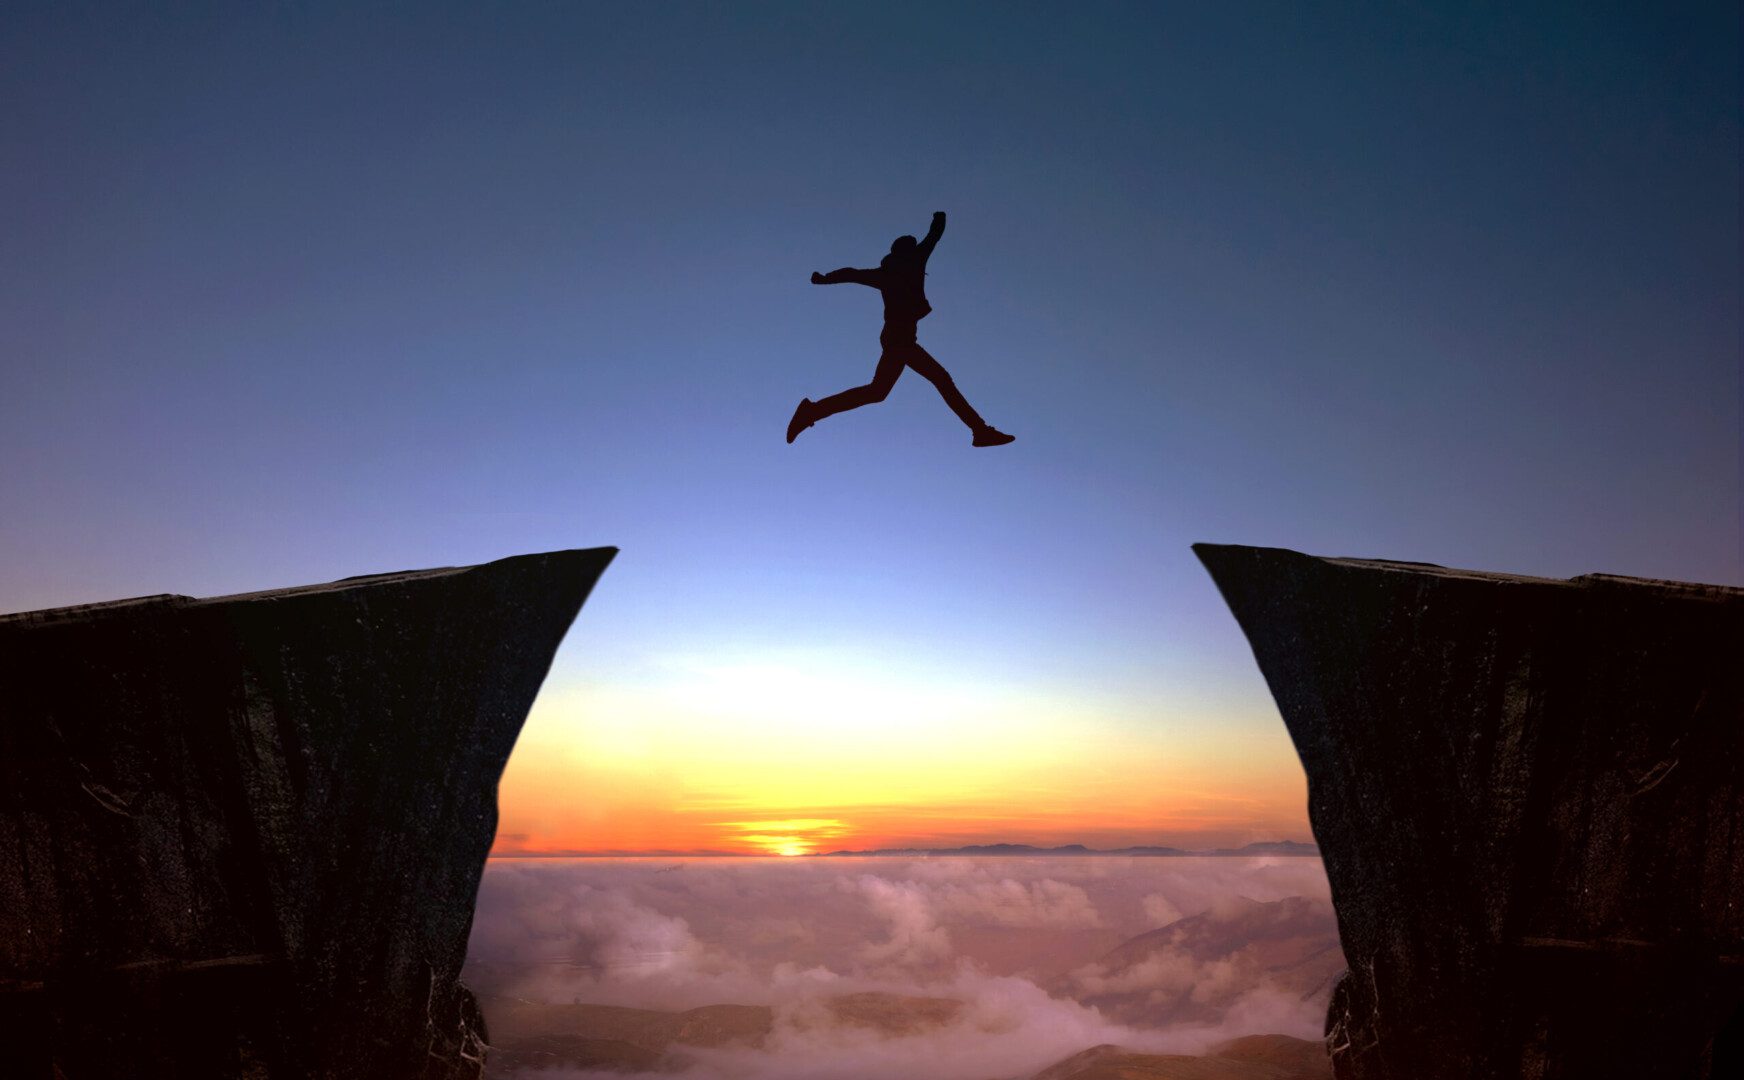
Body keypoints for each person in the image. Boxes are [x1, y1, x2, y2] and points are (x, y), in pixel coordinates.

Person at [788, 211, 1014, 447]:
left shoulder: (890, 271)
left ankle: (812, 411)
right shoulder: (911, 263)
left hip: (898, 339)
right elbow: (932, 237)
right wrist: (939, 220)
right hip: (900, 341)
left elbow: (853, 273)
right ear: (905, 251)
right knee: (940, 380)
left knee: (877, 392)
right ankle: (979, 430)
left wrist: (825, 278)